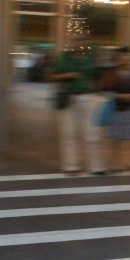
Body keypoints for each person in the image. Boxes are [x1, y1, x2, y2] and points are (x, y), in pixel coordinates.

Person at [49, 36, 102, 175]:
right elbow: (51, 75)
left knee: (91, 133)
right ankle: (71, 165)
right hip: (68, 97)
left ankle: (96, 166)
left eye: (80, 41)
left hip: (87, 96)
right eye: (74, 41)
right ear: (70, 44)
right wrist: (67, 75)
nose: (77, 44)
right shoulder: (63, 58)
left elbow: (96, 75)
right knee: (69, 133)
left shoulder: (88, 59)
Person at [106, 47, 130, 174]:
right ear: (118, 58)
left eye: (128, 57)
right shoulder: (113, 73)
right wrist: (123, 96)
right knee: (116, 139)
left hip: (129, 109)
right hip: (116, 108)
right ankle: (115, 163)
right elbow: (109, 92)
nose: (126, 59)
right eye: (123, 57)